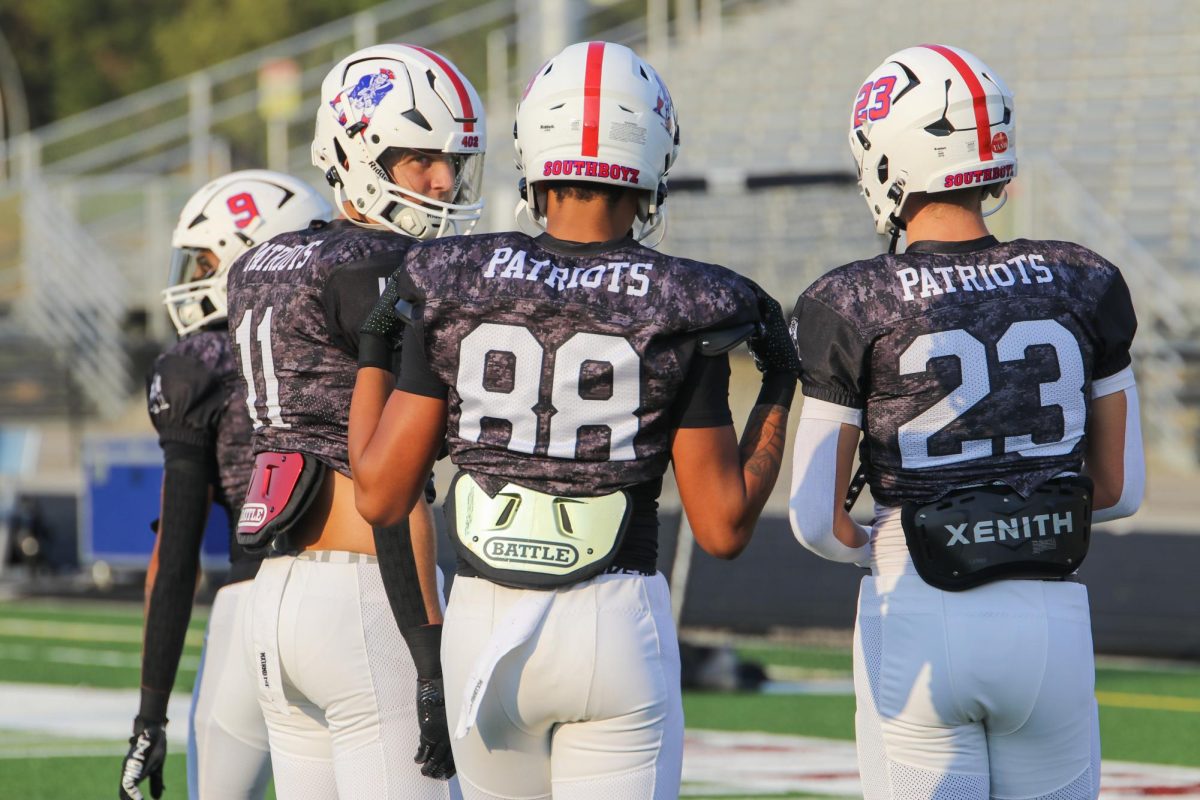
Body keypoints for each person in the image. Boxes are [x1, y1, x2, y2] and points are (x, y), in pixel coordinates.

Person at [348, 40, 799, 800]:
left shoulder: (454, 280)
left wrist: (374, 346)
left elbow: (379, 495)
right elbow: (722, 528)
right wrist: (780, 390)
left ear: (534, 152)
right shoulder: (683, 300)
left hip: (483, 622)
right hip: (613, 619)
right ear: (651, 158)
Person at [788, 44, 1143, 800]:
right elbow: (1118, 490)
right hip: (1050, 613)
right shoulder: (1083, 276)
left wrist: (884, 546)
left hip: (917, 604)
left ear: (889, 159)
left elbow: (815, 521)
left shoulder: (851, 297)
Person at [224, 43, 485, 799]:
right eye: (418, 159)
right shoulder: (383, 270)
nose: (442, 179)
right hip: (370, 595)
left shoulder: (261, 263)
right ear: (357, 150)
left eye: (451, 161)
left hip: (274, 594)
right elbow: (393, 492)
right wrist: (430, 652)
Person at [119, 170, 333, 800]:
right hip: (364, 584)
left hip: (255, 605)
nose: (190, 279)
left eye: (206, 259)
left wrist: (149, 717)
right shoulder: (347, 339)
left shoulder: (199, 363)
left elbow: (176, 553)